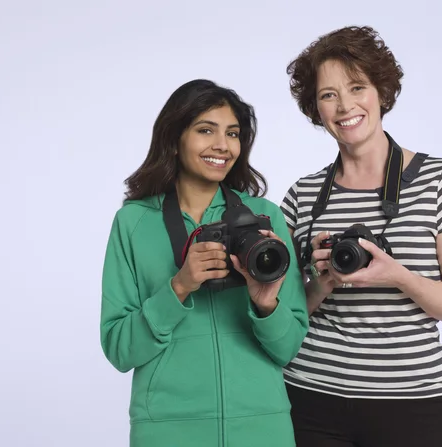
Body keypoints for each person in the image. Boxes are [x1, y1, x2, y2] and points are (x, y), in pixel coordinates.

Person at [280, 26, 442, 447]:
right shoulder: (302, 195)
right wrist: (324, 282)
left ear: (381, 92)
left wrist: (399, 277)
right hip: (310, 397)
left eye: (357, 87)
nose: (345, 106)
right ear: (315, 108)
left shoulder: (439, 181)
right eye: (328, 94)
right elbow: (284, 312)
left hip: (410, 405)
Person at [100, 79, 309, 447]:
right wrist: (178, 287)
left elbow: (288, 347)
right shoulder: (132, 222)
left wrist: (265, 303)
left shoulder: (265, 218)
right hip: (168, 430)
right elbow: (119, 349)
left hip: (261, 430)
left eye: (232, 133)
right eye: (205, 130)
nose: (222, 145)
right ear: (174, 138)